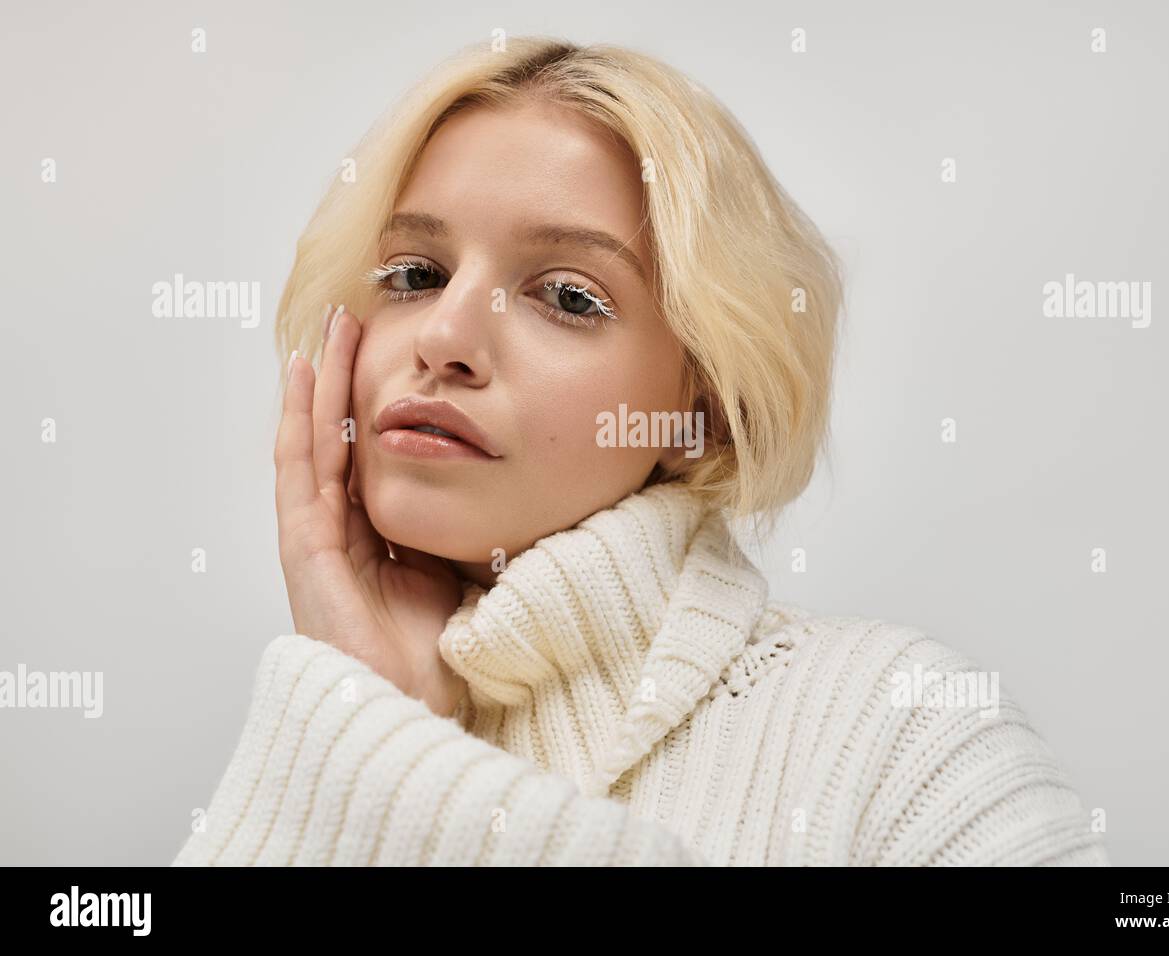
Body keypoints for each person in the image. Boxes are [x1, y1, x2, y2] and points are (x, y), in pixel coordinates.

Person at [173, 37, 1108, 866]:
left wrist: (397, 776)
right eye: (415, 274)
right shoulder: (323, 722)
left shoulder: (904, 733)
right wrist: (364, 721)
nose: (446, 335)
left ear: (704, 405)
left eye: (568, 296)